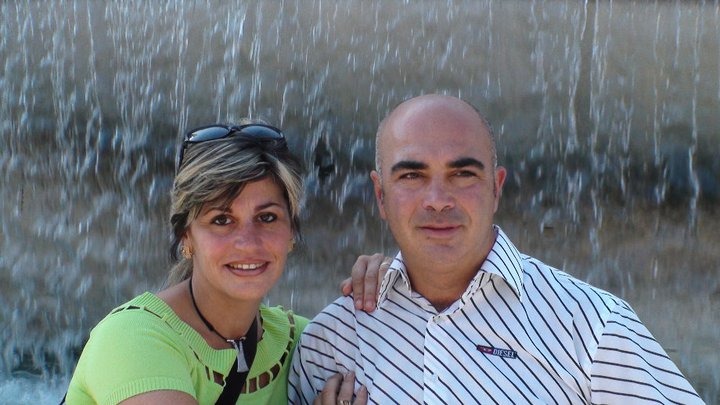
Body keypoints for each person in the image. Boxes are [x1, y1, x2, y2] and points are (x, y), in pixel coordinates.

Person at [288, 94, 703, 404]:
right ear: (380, 195)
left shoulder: (593, 326)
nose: (438, 200)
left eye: (463, 174)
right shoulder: (331, 342)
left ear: (496, 188)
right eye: (412, 176)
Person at [65, 121, 378, 404]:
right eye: (222, 220)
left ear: (291, 232)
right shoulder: (133, 337)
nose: (248, 242)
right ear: (186, 237)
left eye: (267, 217)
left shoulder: (306, 343)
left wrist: (392, 286)